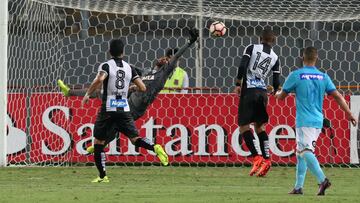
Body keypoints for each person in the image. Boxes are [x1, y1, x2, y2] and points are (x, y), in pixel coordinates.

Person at [57, 28, 199, 152]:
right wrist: (116, 65)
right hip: (125, 102)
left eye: (168, 59)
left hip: (135, 109)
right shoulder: (147, 71)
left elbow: (177, 56)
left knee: (117, 126)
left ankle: (101, 145)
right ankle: (69, 92)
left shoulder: (162, 75)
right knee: (101, 96)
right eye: (164, 57)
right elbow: (128, 67)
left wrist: (189, 42)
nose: (165, 60)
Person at [82, 38, 170, 183]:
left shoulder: (106, 65)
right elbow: (143, 87)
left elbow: (99, 79)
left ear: (109, 51)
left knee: (98, 142)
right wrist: (131, 87)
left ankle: (103, 176)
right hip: (123, 107)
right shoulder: (129, 67)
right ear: (123, 52)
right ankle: (155, 147)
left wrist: (87, 94)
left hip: (108, 107)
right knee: (135, 139)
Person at [275, 46, 357, 195]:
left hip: (304, 121)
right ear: (316, 58)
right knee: (300, 152)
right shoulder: (323, 77)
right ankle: (298, 187)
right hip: (318, 120)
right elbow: (338, 96)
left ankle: (322, 180)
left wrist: (275, 92)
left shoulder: (296, 75)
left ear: (302, 57)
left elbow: (281, 97)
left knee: (306, 151)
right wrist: (349, 113)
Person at [234, 29, 280, 177]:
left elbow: (243, 65)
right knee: (260, 127)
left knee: (243, 126)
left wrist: (238, 83)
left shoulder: (252, 48)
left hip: (249, 91)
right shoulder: (275, 57)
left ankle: (257, 157)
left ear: (260, 38)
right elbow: (276, 81)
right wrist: (272, 90)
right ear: (273, 41)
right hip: (262, 93)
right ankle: (267, 160)